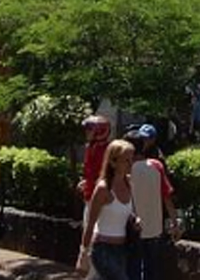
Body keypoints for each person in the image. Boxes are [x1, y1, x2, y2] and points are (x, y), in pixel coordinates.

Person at [77, 140, 137, 280]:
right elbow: (91, 223)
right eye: (126, 160)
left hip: (122, 250)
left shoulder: (129, 184)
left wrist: (135, 220)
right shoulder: (103, 189)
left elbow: (129, 213)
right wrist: (83, 254)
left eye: (131, 159)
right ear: (113, 162)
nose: (130, 164)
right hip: (103, 249)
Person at [125, 128, 180, 280]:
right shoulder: (157, 166)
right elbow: (167, 197)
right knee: (153, 269)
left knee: (133, 268)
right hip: (155, 228)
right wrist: (175, 223)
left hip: (133, 229)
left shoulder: (125, 172)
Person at [80, 116, 112, 204]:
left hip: (100, 196)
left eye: (90, 130)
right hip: (89, 194)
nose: (86, 132)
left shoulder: (108, 149)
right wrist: (85, 181)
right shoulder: (90, 147)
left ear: (100, 131)